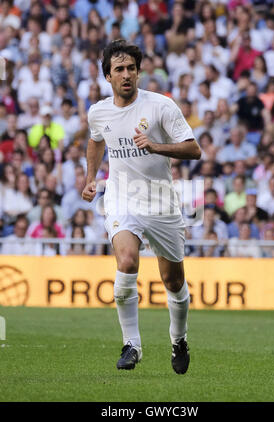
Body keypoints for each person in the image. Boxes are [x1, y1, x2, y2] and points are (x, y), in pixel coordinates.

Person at [82, 40, 201, 373]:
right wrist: (91, 177)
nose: (126, 75)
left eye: (131, 68)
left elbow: (194, 150)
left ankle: (178, 339)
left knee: (173, 281)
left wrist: (157, 146)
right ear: (108, 76)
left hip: (161, 202)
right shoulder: (99, 111)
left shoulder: (161, 106)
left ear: (139, 71)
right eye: (119, 69)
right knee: (127, 259)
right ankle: (131, 344)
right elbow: (94, 142)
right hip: (121, 198)